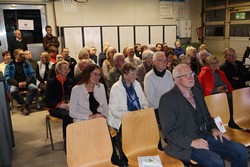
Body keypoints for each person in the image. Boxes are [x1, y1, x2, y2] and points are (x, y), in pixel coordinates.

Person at [158, 63, 248, 167]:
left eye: (191, 73)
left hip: (205, 134)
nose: (190, 77)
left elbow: (208, 117)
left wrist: (214, 129)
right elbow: (168, 131)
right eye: (185, 75)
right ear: (176, 80)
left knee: (241, 151)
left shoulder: (196, 92)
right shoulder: (167, 99)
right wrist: (192, 142)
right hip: (185, 143)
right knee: (216, 162)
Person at [198, 55, 242, 130]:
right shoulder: (204, 73)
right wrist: (217, 90)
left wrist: (224, 88)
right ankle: (230, 122)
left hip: (222, 93)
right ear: (208, 64)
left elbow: (226, 83)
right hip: (211, 95)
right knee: (229, 98)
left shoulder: (220, 73)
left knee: (234, 97)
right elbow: (205, 88)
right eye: (212, 63)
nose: (215, 65)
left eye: (216, 63)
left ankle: (233, 120)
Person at [108, 63, 149, 131]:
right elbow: (113, 110)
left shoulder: (137, 84)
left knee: (152, 129)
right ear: (125, 75)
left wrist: (144, 109)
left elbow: (144, 101)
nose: (135, 76)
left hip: (139, 116)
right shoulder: (116, 88)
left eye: (135, 74)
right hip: (123, 119)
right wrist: (129, 116)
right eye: (132, 74)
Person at [45, 60, 73, 152]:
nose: (67, 70)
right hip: (55, 108)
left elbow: (73, 95)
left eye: (68, 69)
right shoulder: (51, 81)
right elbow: (48, 99)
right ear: (58, 70)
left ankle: (77, 137)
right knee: (67, 116)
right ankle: (67, 140)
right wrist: (59, 105)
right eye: (64, 69)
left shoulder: (70, 81)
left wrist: (70, 104)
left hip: (68, 106)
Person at [5, 49, 38, 115]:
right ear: (15, 55)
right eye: (20, 54)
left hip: (26, 83)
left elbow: (32, 74)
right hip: (15, 84)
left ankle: (25, 105)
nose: (23, 56)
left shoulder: (26, 63)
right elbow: (7, 77)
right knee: (12, 91)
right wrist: (17, 83)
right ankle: (24, 104)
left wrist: (26, 82)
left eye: (23, 54)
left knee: (34, 88)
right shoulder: (9, 65)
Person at [144, 51, 174, 121]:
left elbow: (173, 90)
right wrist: (164, 107)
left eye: (165, 60)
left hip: (171, 106)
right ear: (154, 62)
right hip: (158, 109)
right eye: (161, 60)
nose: (164, 62)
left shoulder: (168, 73)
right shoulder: (149, 77)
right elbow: (150, 97)